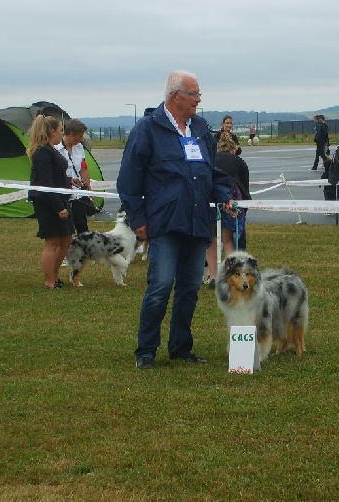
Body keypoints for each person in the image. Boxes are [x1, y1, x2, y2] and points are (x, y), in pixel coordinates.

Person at [116, 70, 236, 369]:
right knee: (160, 286)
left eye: (198, 94)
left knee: (189, 288)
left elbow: (212, 173)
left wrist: (224, 194)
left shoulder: (200, 129)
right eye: (194, 94)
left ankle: (181, 347)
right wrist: (138, 219)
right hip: (165, 222)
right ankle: (146, 351)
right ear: (175, 97)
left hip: (197, 222)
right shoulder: (147, 129)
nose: (199, 99)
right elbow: (128, 181)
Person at [27, 115, 75, 290]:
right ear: (52, 131)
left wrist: (69, 181)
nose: (62, 134)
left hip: (59, 198)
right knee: (52, 242)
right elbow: (46, 183)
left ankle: (54, 276)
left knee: (66, 239)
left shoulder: (51, 150)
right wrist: (59, 207)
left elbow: (55, 176)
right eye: (61, 130)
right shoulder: (42, 153)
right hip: (48, 202)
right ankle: (49, 281)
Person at [205, 132, 252, 286]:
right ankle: (232, 276)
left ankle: (213, 277)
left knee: (211, 238)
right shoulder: (238, 161)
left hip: (212, 197)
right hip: (231, 197)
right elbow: (245, 185)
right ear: (233, 149)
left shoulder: (211, 159)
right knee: (227, 239)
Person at [55, 119, 92, 234]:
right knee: (65, 230)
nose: (81, 140)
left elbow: (83, 168)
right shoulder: (55, 149)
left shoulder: (80, 147)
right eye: (80, 137)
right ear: (71, 135)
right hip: (62, 194)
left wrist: (88, 187)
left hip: (78, 193)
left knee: (82, 227)